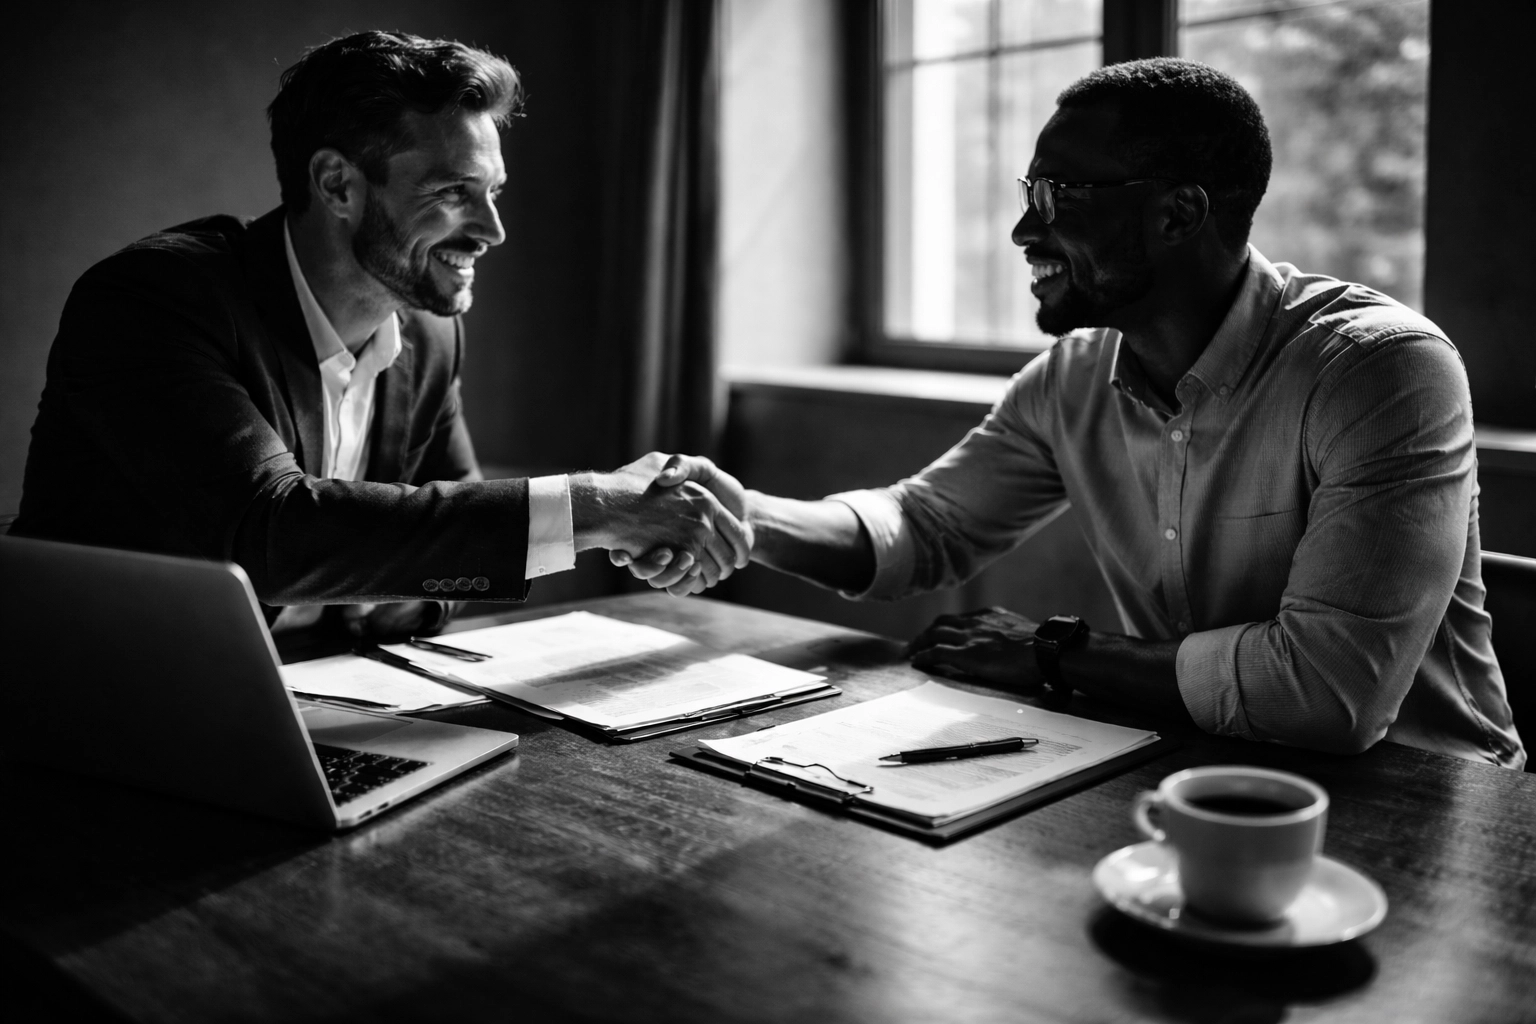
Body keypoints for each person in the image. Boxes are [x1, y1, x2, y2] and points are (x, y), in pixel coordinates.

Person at [629, 58, 1524, 768]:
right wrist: (733, 513)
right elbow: (924, 527)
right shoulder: (1071, 378)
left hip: (1432, 806)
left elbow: (1329, 695)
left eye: (1059, 197)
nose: (1024, 231)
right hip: (1196, 774)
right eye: (1029, 193)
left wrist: (1053, 653)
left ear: (1179, 214)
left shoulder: (1379, 371)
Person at [11, 30, 747, 638]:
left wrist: (361, 567)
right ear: (337, 185)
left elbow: (447, 577)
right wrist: (597, 506)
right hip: (94, 727)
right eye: (453, 192)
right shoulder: (153, 302)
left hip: (317, 710)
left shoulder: (428, 341)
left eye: (491, 193)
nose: (491, 231)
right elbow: (271, 534)